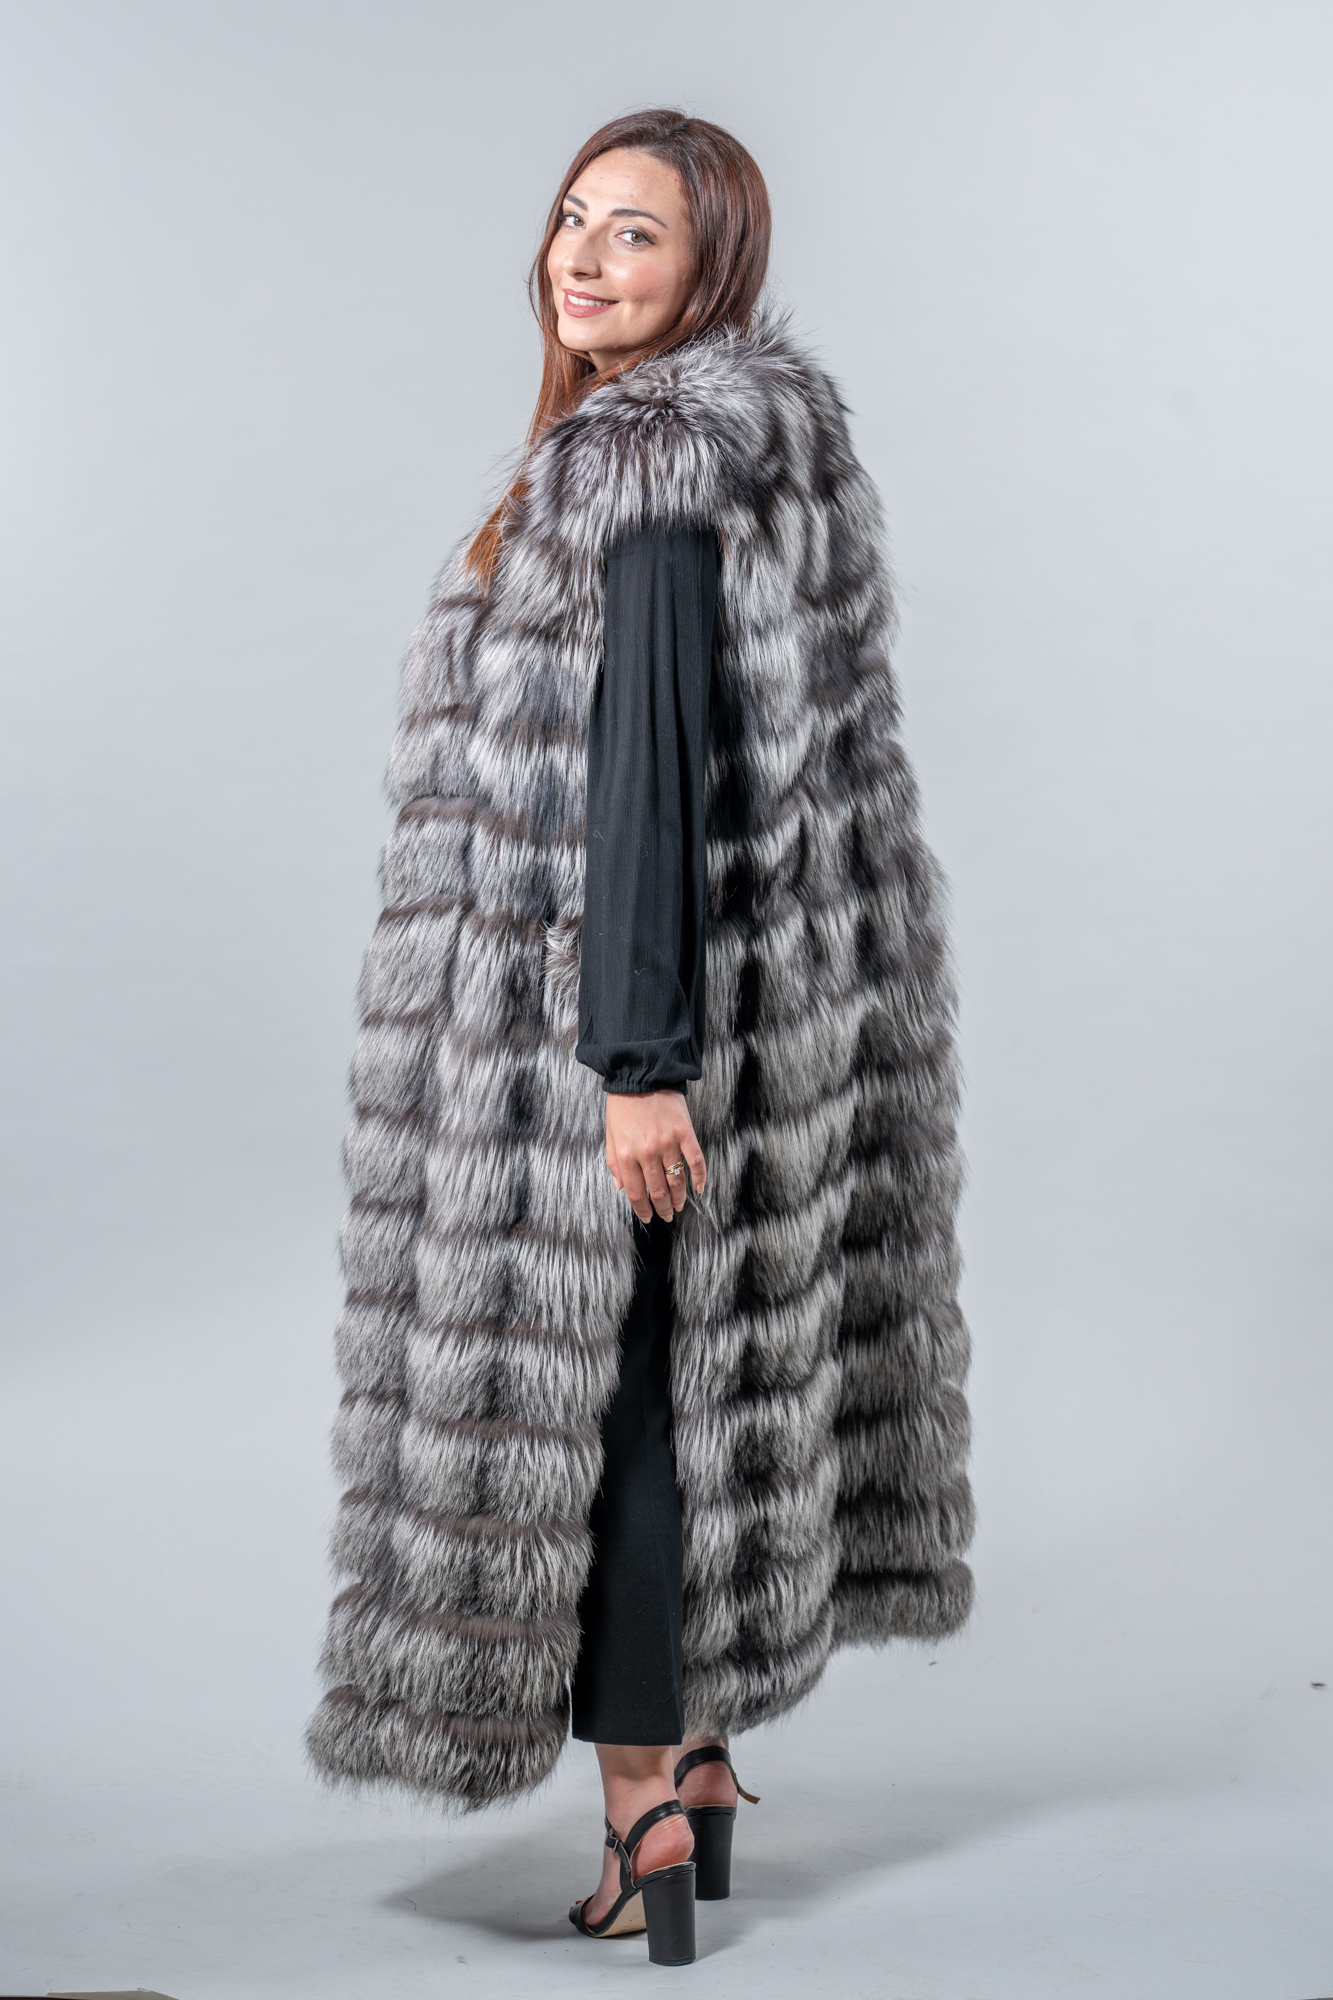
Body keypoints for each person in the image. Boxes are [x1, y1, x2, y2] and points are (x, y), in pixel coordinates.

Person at [308, 110, 974, 1968]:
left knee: (607, 1423)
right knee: (700, 1390)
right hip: (769, 1029)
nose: (583, 261)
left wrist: (636, 1065)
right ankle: (704, 1756)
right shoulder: (766, 454)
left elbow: (645, 794)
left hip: (615, 1048)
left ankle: (640, 1813)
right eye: (572, 219)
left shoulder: (647, 469)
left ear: (712, 269)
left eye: (637, 236)